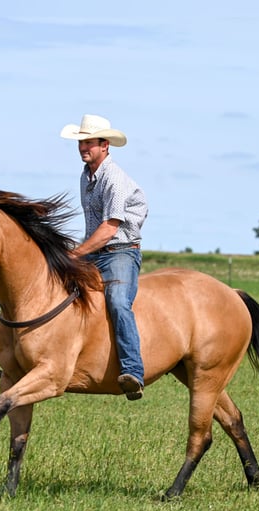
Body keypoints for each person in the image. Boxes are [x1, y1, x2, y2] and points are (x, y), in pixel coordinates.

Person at [60, 114, 149, 401]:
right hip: (95, 251)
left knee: (118, 302)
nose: (84, 147)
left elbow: (110, 227)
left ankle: (133, 370)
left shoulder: (114, 179)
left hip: (120, 252)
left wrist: (76, 252)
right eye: (81, 142)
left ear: (105, 145)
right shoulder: (86, 176)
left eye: (90, 143)